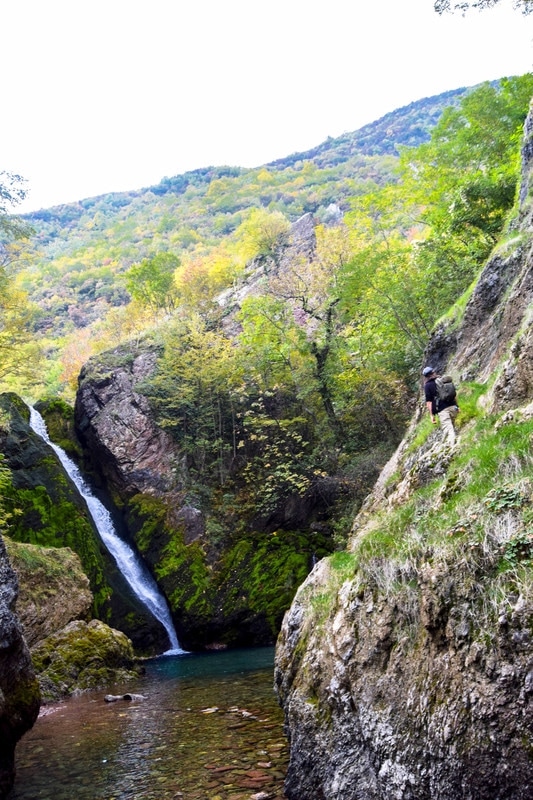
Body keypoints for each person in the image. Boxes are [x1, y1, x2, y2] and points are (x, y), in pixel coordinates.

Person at [422, 366, 459, 445]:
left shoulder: (427, 386)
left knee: (449, 430)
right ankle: (454, 443)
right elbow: (454, 394)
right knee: (453, 426)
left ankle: (453, 447)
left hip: (443, 411)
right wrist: (457, 406)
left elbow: (429, 402)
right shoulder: (442, 380)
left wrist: (432, 416)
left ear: (426, 377)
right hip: (453, 407)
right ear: (433, 372)